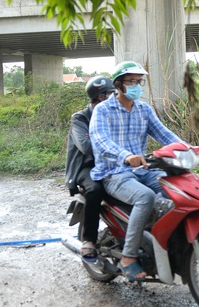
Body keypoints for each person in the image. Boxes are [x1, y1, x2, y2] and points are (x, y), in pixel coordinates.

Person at [89, 60, 184, 281]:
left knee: (176, 192)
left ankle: (163, 244)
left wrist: (186, 149)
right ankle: (128, 257)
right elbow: (100, 140)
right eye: (132, 81)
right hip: (113, 172)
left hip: (143, 170)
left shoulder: (143, 109)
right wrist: (125, 156)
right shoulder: (103, 110)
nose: (137, 86)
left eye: (139, 82)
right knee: (146, 196)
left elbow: (164, 134)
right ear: (119, 85)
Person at [65, 75, 117, 261]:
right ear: (102, 97)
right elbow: (85, 147)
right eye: (112, 94)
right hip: (86, 167)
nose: (116, 97)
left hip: (112, 163)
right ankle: (89, 240)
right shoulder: (80, 118)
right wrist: (111, 146)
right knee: (95, 190)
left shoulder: (114, 114)